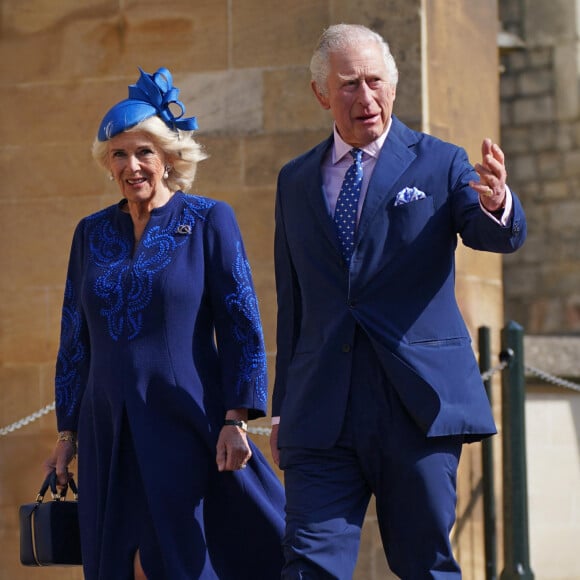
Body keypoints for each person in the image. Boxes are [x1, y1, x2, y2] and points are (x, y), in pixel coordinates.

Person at [270, 23, 527, 579]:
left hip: (416, 405)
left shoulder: (441, 162)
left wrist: (499, 203)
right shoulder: (294, 181)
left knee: (424, 566)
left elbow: (491, 234)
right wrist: (281, 409)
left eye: (375, 82)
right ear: (321, 93)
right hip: (321, 413)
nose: (365, 98)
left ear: (394, 84)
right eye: (348, 85)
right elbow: (293, 305)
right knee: (307, 566)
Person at [43, 67, 285, 580]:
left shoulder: (207, 219)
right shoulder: (89, 233)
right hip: (106, 426)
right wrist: (66, 433)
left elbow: (242, 323)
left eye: (144, 152)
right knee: (118, 565)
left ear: (169, 157)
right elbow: (73, 338)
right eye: (119, 154)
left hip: (184, 422)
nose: (132, 165)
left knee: (175, 560)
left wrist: (236, 418)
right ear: (107, 165)